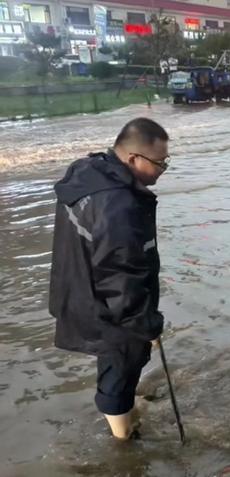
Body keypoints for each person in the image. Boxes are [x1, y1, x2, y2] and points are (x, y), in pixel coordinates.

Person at [49, 118, 170, 440]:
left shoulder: (92, 173)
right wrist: (146, 323)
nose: (163, 169)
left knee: (120, 361)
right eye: (159, 163)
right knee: (120, 363)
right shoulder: (117, 204)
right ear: (133, 159)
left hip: (81, 289)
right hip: (106, 305)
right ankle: (123, 437)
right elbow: (121, 276)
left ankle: (124, 408)